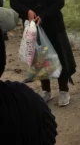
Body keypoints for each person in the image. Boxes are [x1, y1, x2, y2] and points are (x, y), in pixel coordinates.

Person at [10, 0, 76, 107]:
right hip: (33, 30)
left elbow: (59, 2)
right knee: (39, 59)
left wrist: (43, 15)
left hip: (53, 26)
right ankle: (46, 91)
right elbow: (14, 1)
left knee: (59, 57)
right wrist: (27, 11)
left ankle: (63, 90)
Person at [0, 8, 57, 145]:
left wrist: (41, 14)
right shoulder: (24, 101)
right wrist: (27, 11)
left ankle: (60, 90)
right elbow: (48, 129)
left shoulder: (23, 101)